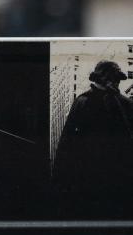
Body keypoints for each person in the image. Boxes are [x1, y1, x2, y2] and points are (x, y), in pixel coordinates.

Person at [53, 60, 133, 210]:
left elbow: (67, 142)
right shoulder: (84, 102)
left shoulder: (124, 104)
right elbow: (67, 141)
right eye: (114, 79)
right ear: (104, 79)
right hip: (93, 174)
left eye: (117, 80)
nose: (116, 83)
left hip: (110, 175)